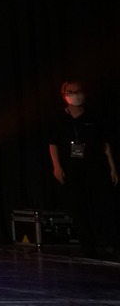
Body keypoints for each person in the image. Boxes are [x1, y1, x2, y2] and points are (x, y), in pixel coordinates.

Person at [49, 81, 119, 257]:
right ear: (64, 95)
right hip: (72, 167)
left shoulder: (95, 116)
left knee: (106, 204)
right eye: (70, 92)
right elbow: (53, 144)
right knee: (77, 206)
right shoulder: (59, 119)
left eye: (78, 91)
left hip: (96, 164)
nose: (75, 95)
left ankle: (113, 242)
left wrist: (112, 167)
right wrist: (56, 166)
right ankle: (87, 247)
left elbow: (105, 143)